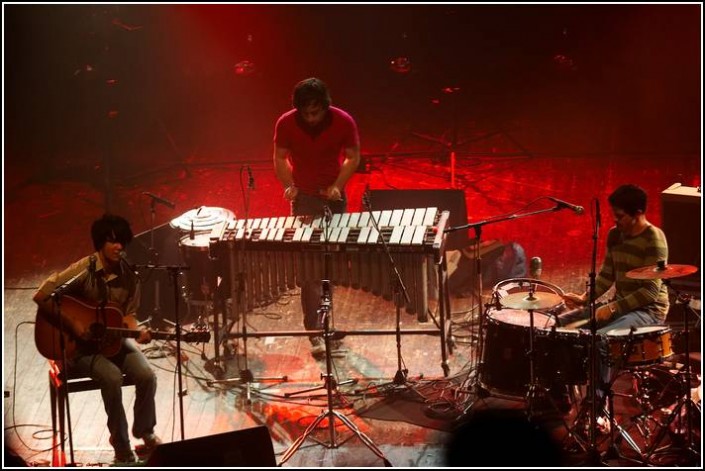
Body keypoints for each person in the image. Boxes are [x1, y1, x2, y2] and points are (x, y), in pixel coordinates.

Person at [33, 214, 161, 463]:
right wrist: (74, 324)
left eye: (122, 242)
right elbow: (43, 295)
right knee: (112, 377)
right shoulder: (84, 270)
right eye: (112, 242)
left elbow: (129, 315)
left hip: (113, 341)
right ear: (100, 243)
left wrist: (138, 332)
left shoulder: (129, 275)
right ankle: (122, 446)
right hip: (78, 347)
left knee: (147, 375)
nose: (119, 247)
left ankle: (144, 430)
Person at [560, 184, 669, 429]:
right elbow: (607, 275)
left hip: (648, 311)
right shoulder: (615, 234)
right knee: (561, 325)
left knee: (601, 339)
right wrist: (585, 298)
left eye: (620, 216)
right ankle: (562, 396)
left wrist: (611, 309)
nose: (615, 221)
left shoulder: (654, 239)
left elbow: (650, 291)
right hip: (622, 306)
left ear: (638, 213)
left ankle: (597, 409)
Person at [273, 77, 361, 358]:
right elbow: (279, 157)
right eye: (306, 113)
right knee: (311, 270)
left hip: (333, 198)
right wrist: (289, 185)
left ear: (325, 106)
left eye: (316, 112)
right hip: (304, 200)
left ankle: (325, 324)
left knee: (328, 268)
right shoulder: (286, 122)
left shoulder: (343, 120)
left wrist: (339, 184)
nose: (311, 118)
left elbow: (352, 156)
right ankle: (314, 332)